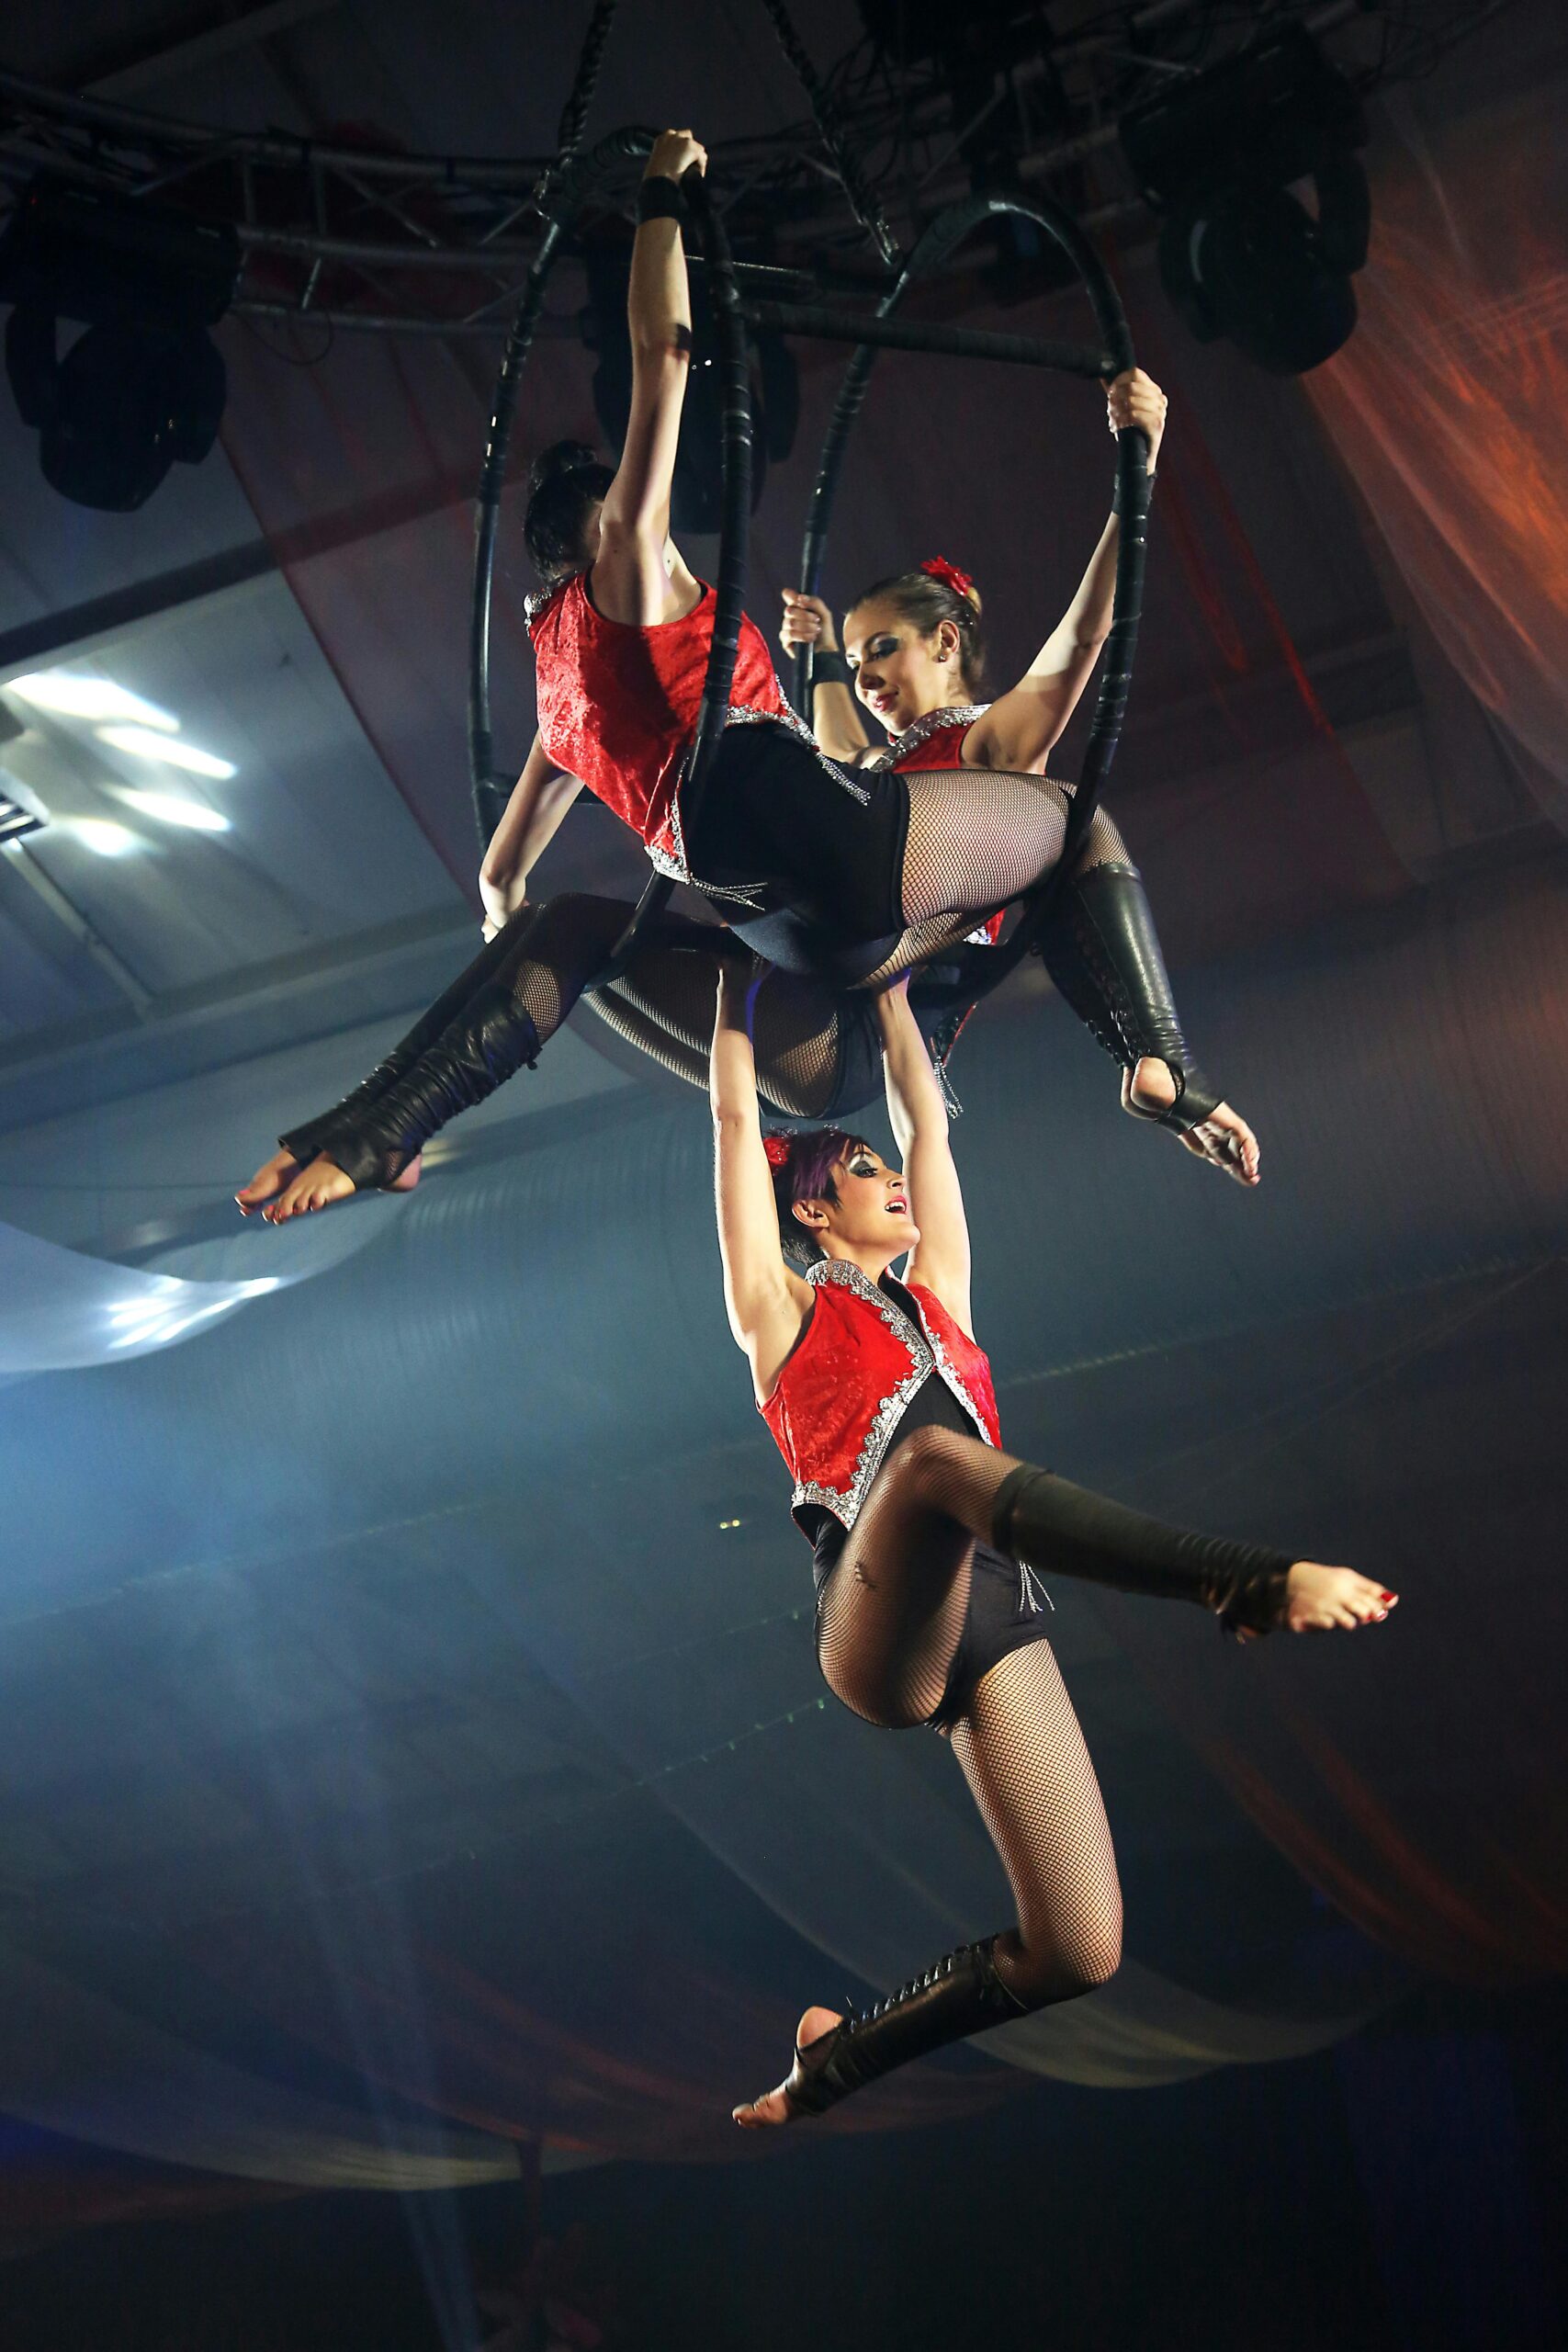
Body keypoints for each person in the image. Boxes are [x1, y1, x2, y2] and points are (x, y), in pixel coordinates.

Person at [238, 125, 1244, 1221]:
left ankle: (379, 1127)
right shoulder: (631, 562)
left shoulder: (560, 693)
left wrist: (513, 928)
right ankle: (1156, 1061)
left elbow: (497, 887)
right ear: (603, 530)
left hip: (810, 981)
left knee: (573, 930)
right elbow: (663, 360)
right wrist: (662, 196)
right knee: (1073, 818)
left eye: (881, 654)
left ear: (948, 640)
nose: (661, 536)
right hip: (820, 871)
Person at [710, 959, 1394, 2122]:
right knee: (929, 1464)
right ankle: (1238, 1581)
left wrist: (887, 981)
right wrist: (734, 981)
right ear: (814, 1208)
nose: (894, 1174)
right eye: (863, 1168)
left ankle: (837, 2061)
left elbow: (927, 1115)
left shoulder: (947, 1298)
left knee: (1079, 1948)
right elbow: (733, 1112)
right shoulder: (778, 1311)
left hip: (994, 1609)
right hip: (876, 1623)